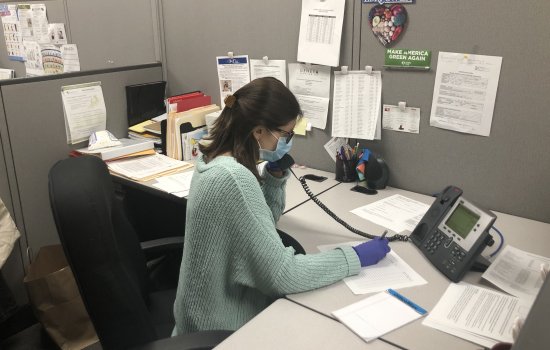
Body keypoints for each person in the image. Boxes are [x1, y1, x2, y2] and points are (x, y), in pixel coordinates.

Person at [173, 77, 390, 335]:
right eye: (286, 134)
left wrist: (274, 179)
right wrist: (354, 256)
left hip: (203, 314)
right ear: (259, 131)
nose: (288, 141)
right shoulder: (233, 178)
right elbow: (284, 275)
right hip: (221, 329)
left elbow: (261, 223)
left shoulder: (215, 158)